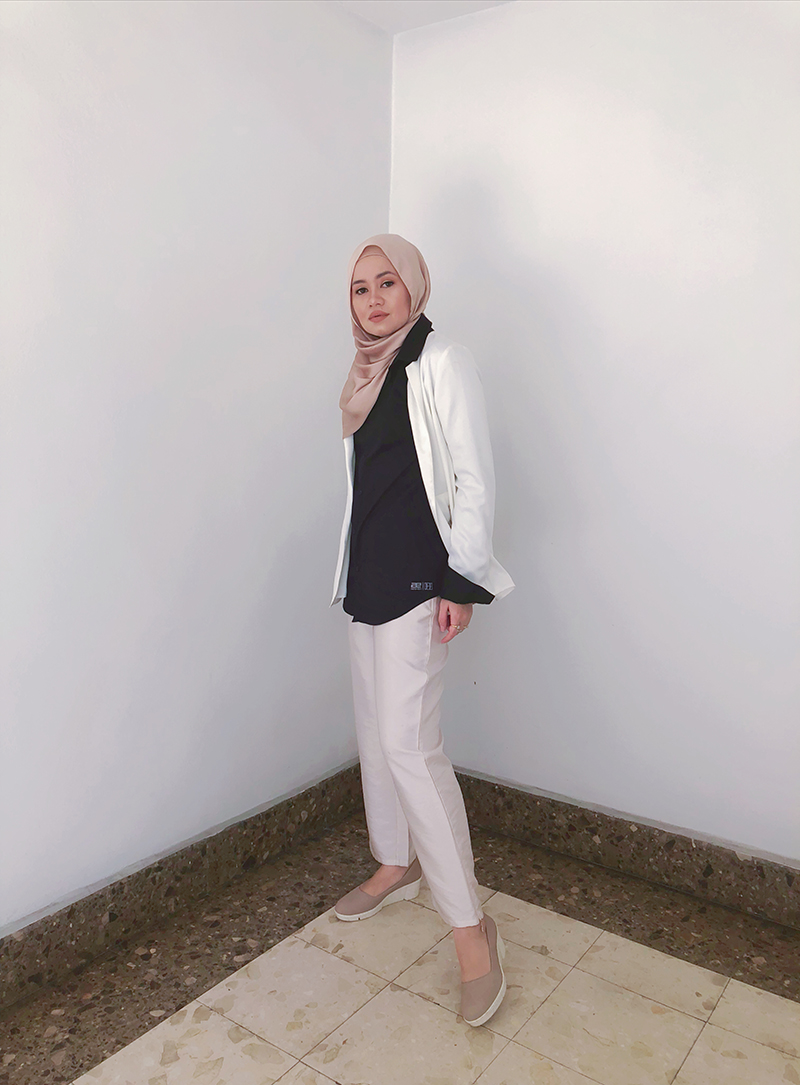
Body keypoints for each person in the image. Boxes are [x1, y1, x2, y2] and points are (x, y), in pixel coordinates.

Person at [330, 234, 514, 1028]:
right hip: (365, 575)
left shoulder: (441, 361)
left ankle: (472, 932)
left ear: (414, 287)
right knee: (377, 734)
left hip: (418, 579)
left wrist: (459, 582)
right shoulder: (363, 374)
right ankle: (394, 861)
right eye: (360, 288)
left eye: (386, 283)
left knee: (411, 746)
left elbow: (472, 475)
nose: (374, 299)